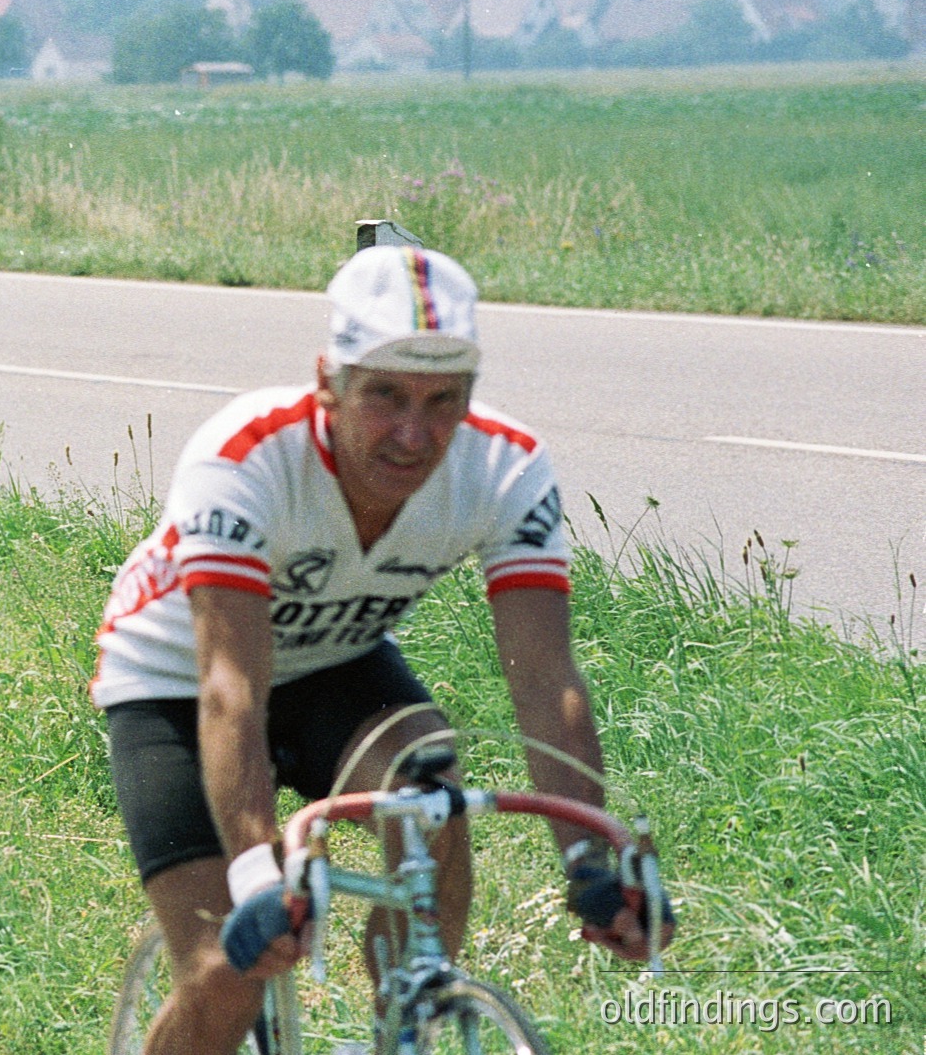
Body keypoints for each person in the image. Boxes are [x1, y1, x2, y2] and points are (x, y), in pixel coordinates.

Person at [93, 245, 672, 1054]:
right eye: (385, 396)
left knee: (429, 799)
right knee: (229, 970)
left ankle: (404, 1016)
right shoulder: (246, 457)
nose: (413, 433)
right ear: (328, 381)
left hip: (334, 663)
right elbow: (230, 690)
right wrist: (261, 879)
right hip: (176, 682)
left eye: (444, 401)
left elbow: (546, 677)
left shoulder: (505, 467)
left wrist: (589, 854)